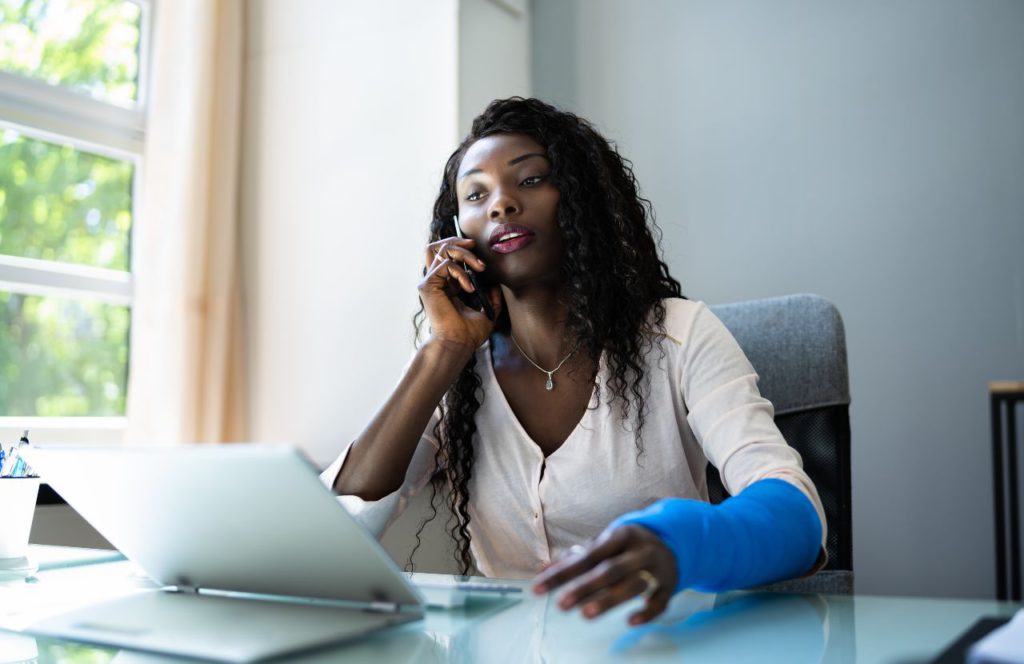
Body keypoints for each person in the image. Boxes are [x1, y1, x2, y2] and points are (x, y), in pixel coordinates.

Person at [321, 97, 826, 625]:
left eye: (531, 180)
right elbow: (336, 534)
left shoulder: (679, 334)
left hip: (660, 645)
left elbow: (797, 513)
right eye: (476, 194)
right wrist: (442, 350)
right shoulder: (457, 371)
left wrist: (679, 540)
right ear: (456, 230)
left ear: (582, 198)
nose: (500, 205)